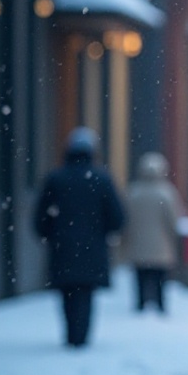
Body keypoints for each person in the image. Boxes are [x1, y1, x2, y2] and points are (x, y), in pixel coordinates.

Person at [34, 128, 126, 347]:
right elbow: (117, 217)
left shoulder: (56, 179)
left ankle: (71, 335)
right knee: (85, 293)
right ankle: (81, 336)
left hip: (63, 247)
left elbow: (40, 216)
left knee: (67, 293)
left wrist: (50, 234)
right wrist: (102, 231)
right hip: (92, 247)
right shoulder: (101, 179)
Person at [122, 152, 184, 313]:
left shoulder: (133, 192)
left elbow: (126, 219)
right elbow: (174, 220)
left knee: (140, 277)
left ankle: (141, 303)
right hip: (161, 245)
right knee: (160, 278)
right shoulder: (166, 193)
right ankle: (160, 304)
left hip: (139, 244)